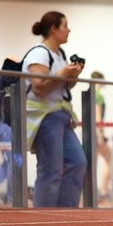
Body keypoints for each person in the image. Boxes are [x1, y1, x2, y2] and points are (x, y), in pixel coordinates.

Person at [24, 11, 87, 207]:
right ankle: (43, 219)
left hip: (60, 115)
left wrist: (72, 76)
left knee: (77, 163)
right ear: (53, 29)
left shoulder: (60, 54)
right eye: (65, 25)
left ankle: (66, 215)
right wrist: (62, 74)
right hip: (44, 117)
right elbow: (38, 87)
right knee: (50, 170)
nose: (69, 30)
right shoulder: (39, 53)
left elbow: (64, 87)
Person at [90, 71, 113, 201]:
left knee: (93, 163)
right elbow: (98, 117)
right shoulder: (98, 95)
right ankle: (104, 190)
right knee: (109, 160)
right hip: (96, 132)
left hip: (90, 132)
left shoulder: (91, 94)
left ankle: (95, 192)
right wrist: (100, 136)